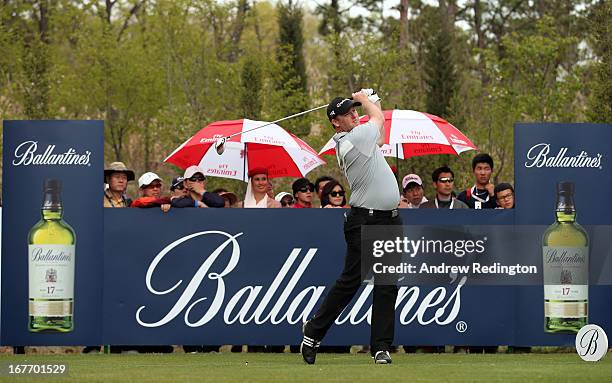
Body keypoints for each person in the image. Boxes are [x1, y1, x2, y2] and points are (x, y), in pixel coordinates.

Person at [301, 89, 401, 365]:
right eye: (348, 113)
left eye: (355, 111)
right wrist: (367, 99)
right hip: (364, 220)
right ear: (336, 122)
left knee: (387, 284)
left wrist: (372, 98)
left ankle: (380, 347)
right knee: (351, 282)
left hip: (389, 219)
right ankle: (313, 331)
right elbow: (378, 119)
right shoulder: (351, 140)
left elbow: (379, 130)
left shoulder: (363, 138)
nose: (354, 115)